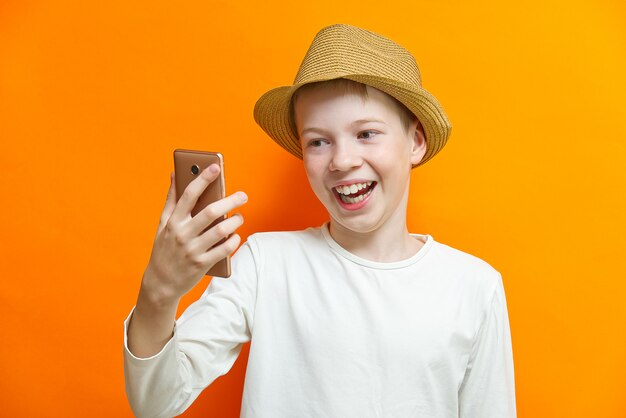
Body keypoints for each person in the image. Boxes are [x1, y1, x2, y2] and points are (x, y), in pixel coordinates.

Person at [123, 23, 517, 418]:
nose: (342, 160)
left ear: (415, 142)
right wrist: (158, 291)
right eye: (318, 141)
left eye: (366, 133)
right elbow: (156, 403)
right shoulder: (265, 263)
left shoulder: (474, 286)